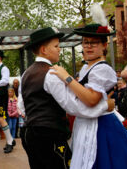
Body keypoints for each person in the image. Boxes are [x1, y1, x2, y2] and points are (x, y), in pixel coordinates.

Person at [19, 27, 117, 169]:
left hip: (29, 132)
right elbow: (73, 106)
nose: (59, 49)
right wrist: (104, 105)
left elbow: (22, 105)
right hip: (49, 134)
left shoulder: (27, 73)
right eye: (56, 46)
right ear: (44, 50)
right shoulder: (51, 74)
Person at [51, 22, 127, 168]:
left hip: (101, 127)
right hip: (87, 123)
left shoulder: (102, 69)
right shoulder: (86, 67)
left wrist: (67, 78)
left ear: (104, 45)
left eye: (93, 43)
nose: (88, 46)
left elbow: (91, 99)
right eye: (85, 42)